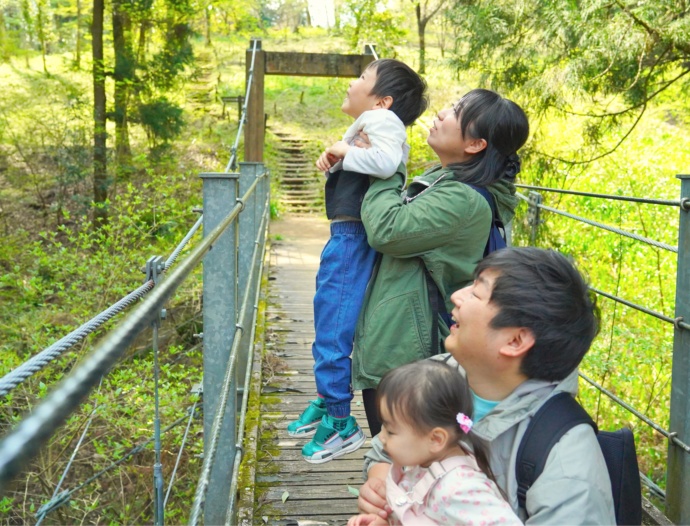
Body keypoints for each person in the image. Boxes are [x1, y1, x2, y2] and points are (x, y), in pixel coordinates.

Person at [357, 247, 617, 524]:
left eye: (477, 293)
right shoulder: (440, 375)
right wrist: (381, 486)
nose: (456, 296)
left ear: (515, 341)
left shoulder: (566, 464)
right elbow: (384, 450)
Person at [351, 88, 528, 436]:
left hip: (410, 356)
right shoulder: (446, 180)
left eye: (456, 111)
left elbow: (387, 229)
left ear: (476, 145)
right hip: (403, 347)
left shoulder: (463, 199)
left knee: (404, 464)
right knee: (398, 460)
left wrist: (385, 165)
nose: (443, 112)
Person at [287, 59, 428, 464]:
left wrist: (343, 150)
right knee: (330, 314)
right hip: (346, 234)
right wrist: (339, 156)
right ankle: (326, 395)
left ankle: (339, 421)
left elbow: (384, 164)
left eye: (363, 78)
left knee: (331, 322)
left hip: (351, 239)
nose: (352, 82)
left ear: (382, 101)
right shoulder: (374, 123)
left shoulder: (382, 123)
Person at [347, 360, 521, 526]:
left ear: (436, 439)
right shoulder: (423, 465)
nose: (381, 438)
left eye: (391, 431)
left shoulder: (460, 488)